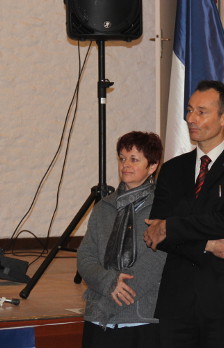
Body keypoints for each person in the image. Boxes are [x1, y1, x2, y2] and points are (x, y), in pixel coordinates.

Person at [143, 80, 224, 348]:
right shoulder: (173, 168)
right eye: (189, 110)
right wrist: (208, 244)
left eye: (202, 112)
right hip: (177, 302)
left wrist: (172, 225)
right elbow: (157, 233)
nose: (191, 118)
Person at [77, 131, 166, 348]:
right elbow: (85, 256)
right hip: (98, 317)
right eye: (122, 158)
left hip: (139, 319)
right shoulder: (103, 207)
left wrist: (114, 297)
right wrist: (108, 283)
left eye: (134, 159)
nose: (125, 164)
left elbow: (156, 262)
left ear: (152, 166)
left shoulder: (162, 207)